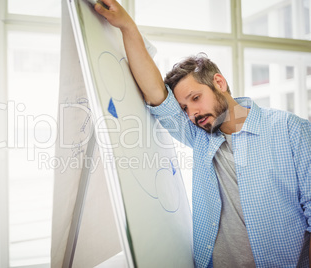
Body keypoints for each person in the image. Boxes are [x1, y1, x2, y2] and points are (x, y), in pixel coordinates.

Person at [93, 0, 311, 267]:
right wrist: (127, 27)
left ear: (219, 82)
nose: (192, 113)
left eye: (196, 98)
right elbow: (155, 93)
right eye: (184, 107)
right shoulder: (200, 136)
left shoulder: (290, 129)